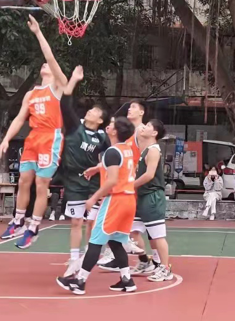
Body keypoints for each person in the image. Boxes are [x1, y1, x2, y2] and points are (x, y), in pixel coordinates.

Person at [0, 15, 68, 249]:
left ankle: (34, 226)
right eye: (44, 65)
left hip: (51, 137)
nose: (45, 65)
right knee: (24, 180)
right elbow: (20, 118)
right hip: (33, 137)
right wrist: (6, 139)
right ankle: (19, 219)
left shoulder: (57, 87)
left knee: (41, 183)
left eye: (49, 65)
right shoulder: (31, 94)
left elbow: (50, 57)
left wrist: (38, 33)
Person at [56, 117, 137, 295]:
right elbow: (116, 167)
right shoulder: (126, 149)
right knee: (115, 241)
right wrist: (97, 168)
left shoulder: (112, 152)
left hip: (115, 200)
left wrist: (94, 198)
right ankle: (127, 279)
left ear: (115, 131)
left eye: (112, 124)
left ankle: (80, 281)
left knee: (95, 241)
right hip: (129, 200)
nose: (109, 124)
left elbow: (112, 180)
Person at [58, 65, 109, 277]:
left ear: (100, 120)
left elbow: (112, 159)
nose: (90, 111)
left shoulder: (103, 137)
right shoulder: (74, 127)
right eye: (90, 109)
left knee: (94, 221)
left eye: (95, 112)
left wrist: (99, 168)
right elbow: (65, 103)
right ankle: (73, 257)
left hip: (94, 182)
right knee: (76, 221)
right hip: (73, 181)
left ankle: (94, 253)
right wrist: (74, 79)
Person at [97, 100, 147, 269]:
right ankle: (126, 259)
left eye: (134, 107)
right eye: (129, 107)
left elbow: (146, 157)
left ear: (142, 112)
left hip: (132, 184)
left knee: (135, 227)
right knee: (127, 226)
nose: (129, 109)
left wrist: (137, 179)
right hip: (125, 182)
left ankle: (150, 261)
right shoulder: (126, 134)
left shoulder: (141, 131)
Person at [131, 119, 173, 282]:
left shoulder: (154, 150)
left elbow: (149, 175)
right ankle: (145, 261)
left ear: (154, 133)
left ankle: (165, 268)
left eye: (148, 126)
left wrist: (130, 185)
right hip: (142, 196)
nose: (144, 127)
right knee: (133, 231)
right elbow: (137, 133)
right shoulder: (144, 149)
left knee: (157, 235)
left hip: (152, 196)